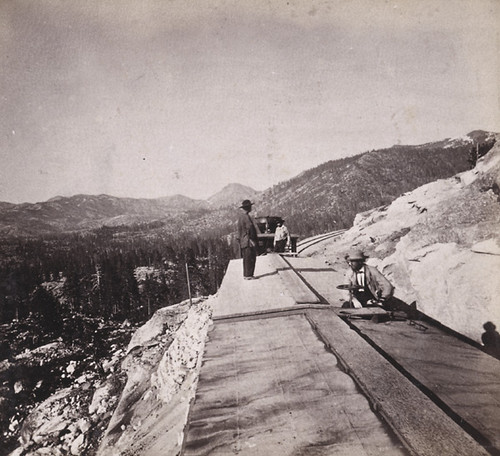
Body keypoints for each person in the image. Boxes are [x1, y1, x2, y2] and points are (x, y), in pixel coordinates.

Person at [237, 200, 258, 280]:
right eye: (250, 206)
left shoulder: (241, 217)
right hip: (248, 241)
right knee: (250, 258)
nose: (251, 208)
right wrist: (252, 240)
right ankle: (248, 275)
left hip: (244, 241)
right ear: (248, 207)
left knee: (246, 258)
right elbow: (250, 229)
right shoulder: (246, 217)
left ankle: (247, 274)